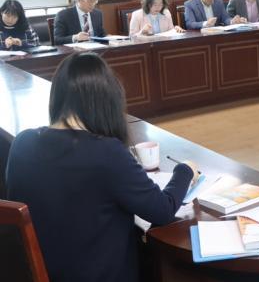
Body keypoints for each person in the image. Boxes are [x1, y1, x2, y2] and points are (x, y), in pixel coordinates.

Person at [5, 52, 199, 282]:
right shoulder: (106, 153)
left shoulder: (22, 143)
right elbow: (162, 210)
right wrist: (185, 171)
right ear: (105, 101)